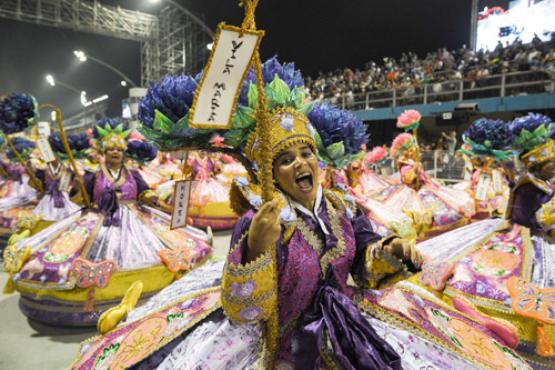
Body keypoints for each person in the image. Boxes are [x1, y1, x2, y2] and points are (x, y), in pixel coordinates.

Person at [70, 63, 530, 370]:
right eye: (286, 159)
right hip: (284, 338)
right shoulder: (260, 221)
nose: (301, 164)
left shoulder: (338, 206)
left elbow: (363, 260)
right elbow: (244, 309)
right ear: (269, 174)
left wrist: (389, 252)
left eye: (307, 152)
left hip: (349, 319)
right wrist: (256, 249)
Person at [2, 122, 212, 326]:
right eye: (110, 149)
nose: (114, 153)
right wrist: (76, 186)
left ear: (124, 153)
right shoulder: (95, 174)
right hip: (100, 221)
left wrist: (152, 198)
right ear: (103, 152)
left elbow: (144, 191)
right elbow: (79, 198)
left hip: (134, 220)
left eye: (118, 150)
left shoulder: (132, 173)